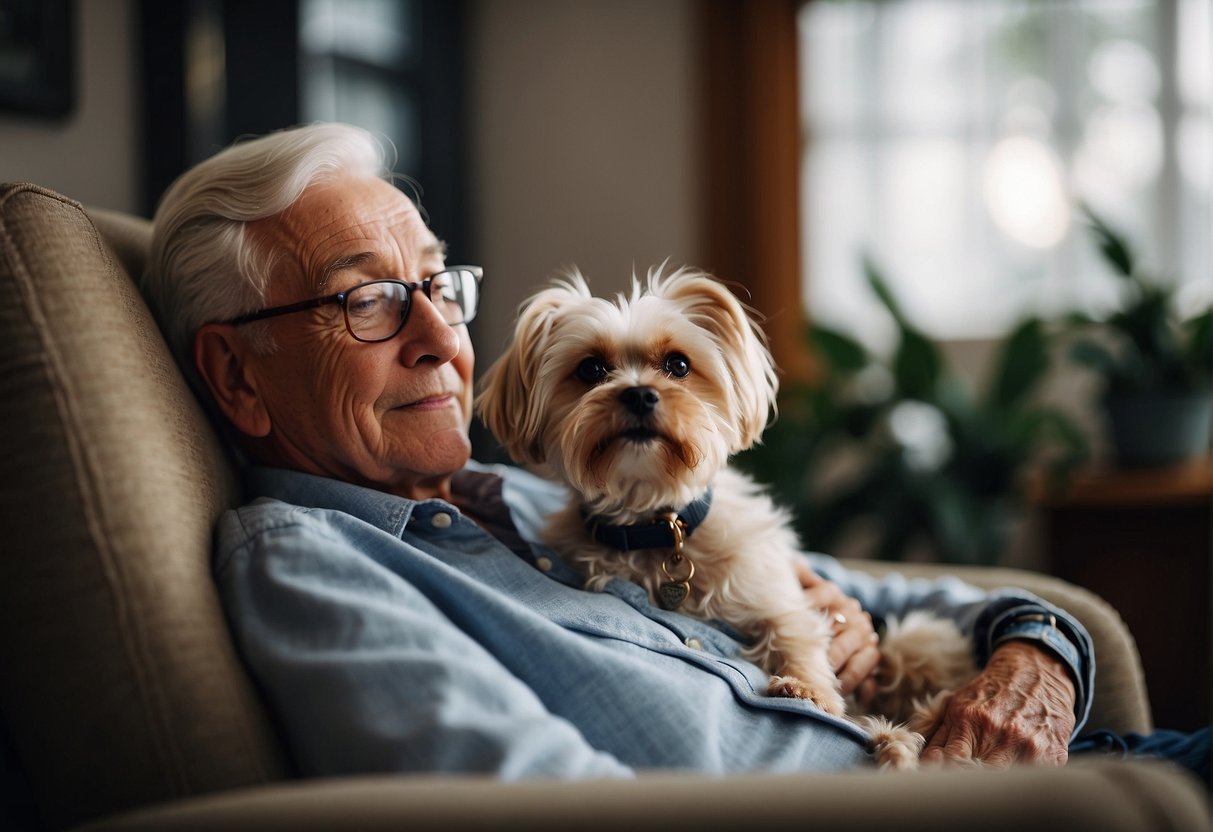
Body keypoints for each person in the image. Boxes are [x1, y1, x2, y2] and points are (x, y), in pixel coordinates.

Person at [138, 122, 1204, 781]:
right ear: (237, 376)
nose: (438, 336)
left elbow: (891, 596)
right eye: (369, 297)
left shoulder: (516, 495)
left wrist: (1035, 656)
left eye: (438, 284)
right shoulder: (312, 564)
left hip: (1032, 759)